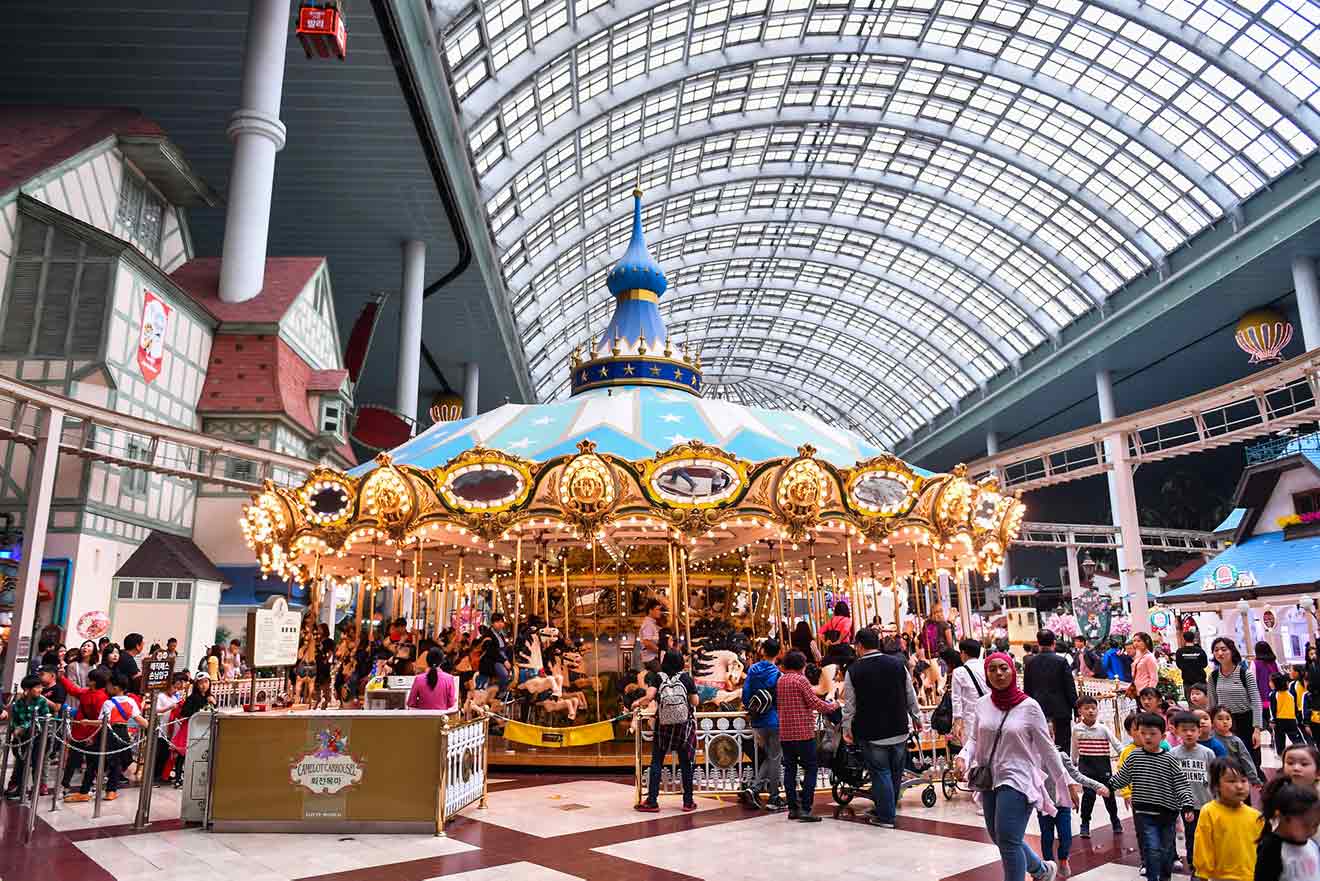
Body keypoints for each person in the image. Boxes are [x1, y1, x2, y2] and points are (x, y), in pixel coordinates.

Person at [954, 651, 1073, 881]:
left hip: (1018, 777)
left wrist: (1064, 781)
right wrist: (963, 757)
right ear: (987, 674)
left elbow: (1047, 748)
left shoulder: (1030, 707)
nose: (998, 673)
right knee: (1000, 836)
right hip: (988, 776)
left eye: (1003, 668)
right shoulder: (981, 704)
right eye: (993, 669)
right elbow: (974, 739)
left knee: (1008, 840)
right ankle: (1041, 870)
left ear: (1013, 671)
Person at [841, 627, 920, 828]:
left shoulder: (854, 670)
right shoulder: (897, 664)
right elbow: (909, 692)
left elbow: (850, 705)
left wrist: (847, 728)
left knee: (881, 772)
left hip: (871, 730)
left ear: (859, 645)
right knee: (894, 772)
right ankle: (886, 808)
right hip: (899, 727)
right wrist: (916, 716)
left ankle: (886, 816)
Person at [1106, 713, 1196, 881]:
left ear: (1162, 736)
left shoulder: (1169, 759)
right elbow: (1123, 776)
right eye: (1143, 733)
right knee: (1152, 848)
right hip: (1144, 813)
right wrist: (1109, 786)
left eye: (1152, 733)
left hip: (1167, 814)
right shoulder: (1134, 756)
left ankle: (1165, 876)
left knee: (1166, 849)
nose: (1147, 737)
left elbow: (1181, 784)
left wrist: (1187, 805)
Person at [776, 649, 839, 822]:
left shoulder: (781, 680)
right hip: (803, 733)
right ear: (800, 665)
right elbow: (813, 702)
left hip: (785, 734)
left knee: (790, 770)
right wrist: (832, 707)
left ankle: (793, 808)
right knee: (811, 768)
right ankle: (806, 807)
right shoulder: (800, 680)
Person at [635, 649, 700, 813]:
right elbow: (695, 701)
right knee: (685, 763)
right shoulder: (685, 678)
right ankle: (688, 802)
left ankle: (652, 801)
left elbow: (649, 697)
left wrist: (636, 703)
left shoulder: (658, 677)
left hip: (663, 726)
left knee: (657, 762)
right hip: (683, 727)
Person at [1191, 756, 1260, 881]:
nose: (1239, 786)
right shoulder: (1209, 811)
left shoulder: (1256, 816)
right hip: (1221, 877)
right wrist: (1203, 874)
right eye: (1232, 781)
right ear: (1217, 785)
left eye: (1243, 781)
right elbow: (1203, 847)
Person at [739, 637, 786, 812]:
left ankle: (754, 788)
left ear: (763, 651)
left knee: (770, 756)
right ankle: (772, 796)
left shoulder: (752, 670)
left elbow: (745, 693)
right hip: (773, 719)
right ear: (778, 653)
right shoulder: (777, 674)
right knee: (775, 757)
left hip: (757, 719)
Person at [1169, 711, 1215, 878]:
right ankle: (1195, 867)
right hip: (1186, 805)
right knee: (1191, 836)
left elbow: (1214, 778)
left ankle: (1208, 863)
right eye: (1184, 730)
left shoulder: (1207, 753)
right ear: (1177, 731)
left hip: (1205, 803)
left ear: (1199, 731)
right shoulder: (1173, 754)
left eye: (1192, 730)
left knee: (1207, 836)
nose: (1188, 733)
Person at [1208, 637, 1263, 773]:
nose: (1220, 653)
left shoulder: (1245, 674)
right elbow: (1212, 704)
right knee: (1229, 764)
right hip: (1224, 722)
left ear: (1232, 651)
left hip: (1246, 721)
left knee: (1252, 763)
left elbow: (1256, 702)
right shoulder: (1213, 677)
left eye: (1224, 649)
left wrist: (1257, 729)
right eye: (1216, 650)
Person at [1072, 694, 1123, 837]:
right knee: (1088, 796)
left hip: (1103, 767)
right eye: (1086, 708)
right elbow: (1074, 748)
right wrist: (1073, 762)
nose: (1090, 711)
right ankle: (1085, 823)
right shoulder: (1077, 730)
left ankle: (1115, 820)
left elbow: (1117, 744)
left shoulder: (1103, 729)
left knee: (1109, 796)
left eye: (1093, 708)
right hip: (1086, 768)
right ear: (1080, 711)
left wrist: (1126, 755)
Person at [1023, 629, 1078, 751]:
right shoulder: (1061, 661)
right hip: (1061, 709)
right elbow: (1070, 687)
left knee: (1041, 745)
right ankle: (1063, 768)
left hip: (1039, 709)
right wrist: (1076, 709)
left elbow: (1027, 690)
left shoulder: (1030, 663)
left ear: (1038, 643)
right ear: (1054, 643)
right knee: (1063, 745)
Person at [1255, 779, 1320, 881]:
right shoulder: (1272, 849)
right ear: (1281, 816)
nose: (1312, 831)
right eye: (1305, 825)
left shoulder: (1312, 845)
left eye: (1316, 825)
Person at [3, 674, 51, 799]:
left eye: (41, 687)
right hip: (22, 739)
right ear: (27, 690)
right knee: (20, 762)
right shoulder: (19, 703)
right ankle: (16, 786)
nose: (40, 690)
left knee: (37, 762)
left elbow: (42, 719)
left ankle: (38, 786)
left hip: (39, 738)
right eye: (37, 687)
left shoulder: (41, 701)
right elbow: (15, 719)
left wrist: (23, 727)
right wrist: (15, 729)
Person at [1209, 705, 1262, 787]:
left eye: (1228, 718)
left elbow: (1246, 760)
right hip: (1214, 777)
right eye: (1220, 719)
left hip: (1233, 777)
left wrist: (1253, 778)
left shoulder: (1236, 741)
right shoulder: (1209, 738)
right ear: (1212, 721)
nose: (1225, 721)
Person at [950, 637, 988, 747]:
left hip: (970, 717)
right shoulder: (987, 668)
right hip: (989, 715)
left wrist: (957, 721)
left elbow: (956, 699)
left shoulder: (959, 672)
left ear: (963, 653)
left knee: (971, 752)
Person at [1272, 672, 1307, 750]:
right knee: (1297, 739)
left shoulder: (1273, 694)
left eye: (1271, 682)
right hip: (1291, 720)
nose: (1269, 684)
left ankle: (1281, 753)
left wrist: (1272, 720)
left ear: (1275, 684)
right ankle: (1303, 750)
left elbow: (1273, 709)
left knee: (1279, 739)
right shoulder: (1290, 694)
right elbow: (1294, 707)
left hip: (1279, 720)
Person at [1175, 630, 1209, 702]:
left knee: (1191, 704)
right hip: (1201, 681)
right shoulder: (1200, 651)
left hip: (1188, 681)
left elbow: (1179, 665)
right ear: (1193, 639)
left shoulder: (1180, 652)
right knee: (1204, 703)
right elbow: (1205, 664)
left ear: (1184, 639)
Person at [1254, 641, 1280, 734]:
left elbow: (1252, 680)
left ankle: (1272, 734)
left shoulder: (1255, 663)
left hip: (1263, 696)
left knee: (1267, 717)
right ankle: (1276, 734)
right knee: (1276, 716)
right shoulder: (1274, 662)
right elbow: (1280, 674)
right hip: (1277, 695)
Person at [1130, 632, 1159, 696]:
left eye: (1139, 641)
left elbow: (1154, 678)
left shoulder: (1149, 657)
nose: (1136, 643)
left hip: (1145, 692)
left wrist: (1149, 693)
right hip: (1137, 691)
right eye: (1134, 641)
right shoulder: (1138, 655)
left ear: (1146, 642)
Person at [637, 599, 664, 667]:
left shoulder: (652, 623)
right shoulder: (648, 624)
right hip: (651, 659)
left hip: (653, 658)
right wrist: (661, 652)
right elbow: (647, 643)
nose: (660, 612)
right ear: (650, 610)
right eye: (657, 609)